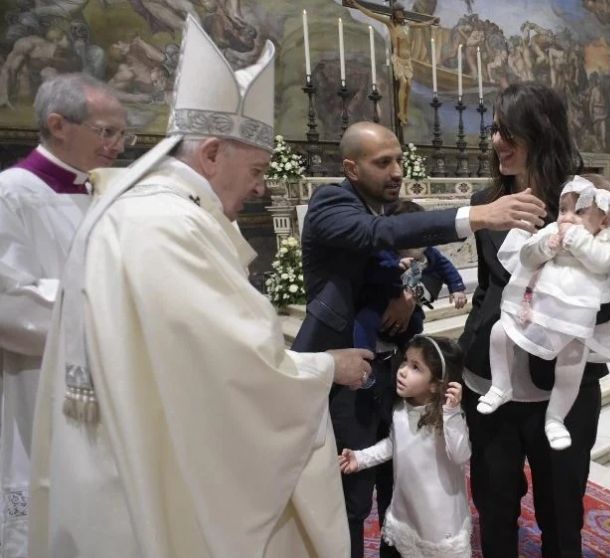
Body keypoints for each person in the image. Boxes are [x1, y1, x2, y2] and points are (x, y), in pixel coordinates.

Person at [29, 16, 375, 557]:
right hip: (148, 469)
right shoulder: (170, 225)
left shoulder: (145, 209)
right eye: (258, 170)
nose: (261, 187)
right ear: (212, 153)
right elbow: (237, 372)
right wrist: (328, 366)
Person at [292, 120, 545, 558]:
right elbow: (379, 238)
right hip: (349, 373)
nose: (397, 172)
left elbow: (424, 261)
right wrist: (478, 215)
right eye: (383, 162)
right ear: (352, 169)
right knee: (353, 492)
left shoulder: (389, 209)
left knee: (402, 474)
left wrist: (412, 295)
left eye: (399, 160)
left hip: (396, 369)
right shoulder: (331, 202)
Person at [458, 82, 610, 556]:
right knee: (494, 502)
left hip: (563, 387)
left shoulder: (583, 199)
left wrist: (562, 312)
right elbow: (488, 283)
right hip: (491, 383)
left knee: (561, 510)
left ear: (541, 133)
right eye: (495, 130)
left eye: (509, 131)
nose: (496, 141)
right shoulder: (489, 199)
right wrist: (470, 344)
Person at [0, 72, 127, 558]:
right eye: (106, 132)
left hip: (103, 375)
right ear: (58, 125)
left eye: (122, 134)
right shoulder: (13, 193)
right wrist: (106, 305)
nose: (117, 145)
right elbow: (10, 303)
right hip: (36, 379)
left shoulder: (102, 193)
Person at [476, 175, 610, 451]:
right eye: (563, 209)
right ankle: (501, 385)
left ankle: (555, 417)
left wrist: (577, 240)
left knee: (572, 364)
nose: (567, 217)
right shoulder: (552, 230)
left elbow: (604, 262)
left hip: (574, 316)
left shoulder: (608, 239)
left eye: (578, 211)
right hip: (537, 309)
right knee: (499, 332)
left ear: (604, 220)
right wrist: (546, 246)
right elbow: (526, 256)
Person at [339, 335, 471, 558]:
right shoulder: (400, 410)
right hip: (407, 510)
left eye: (416, 367)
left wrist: (452, 413)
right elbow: (393, 444)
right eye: (405, 361)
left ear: (435, 385)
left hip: (439, 519)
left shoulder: (445, 418)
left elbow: (461, 455)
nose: (402, 371)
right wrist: (360, 458)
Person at [353, 200, 468, 359]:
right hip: (379, 302)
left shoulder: (428, 251)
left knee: (414, 325)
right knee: (365, 320)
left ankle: (406, 354)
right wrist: (395, 266)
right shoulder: (385, 249)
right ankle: (363, 357)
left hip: (411, 310)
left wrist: (456, 287)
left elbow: (445, 266)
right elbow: (374, 268)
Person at [344, 0, 438, 127]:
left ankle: (405, 113)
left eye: (402, 13)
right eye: (398, 14)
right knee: (403, 83)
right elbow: (372, 14)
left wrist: (431, 22)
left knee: (408, 85)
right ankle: (401, 113)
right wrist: (357, 5)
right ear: (394, 15)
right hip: (398, 59)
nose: (401, 16)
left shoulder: (407, 25)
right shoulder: (391, 25)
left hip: (407, 60)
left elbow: (421, 24)